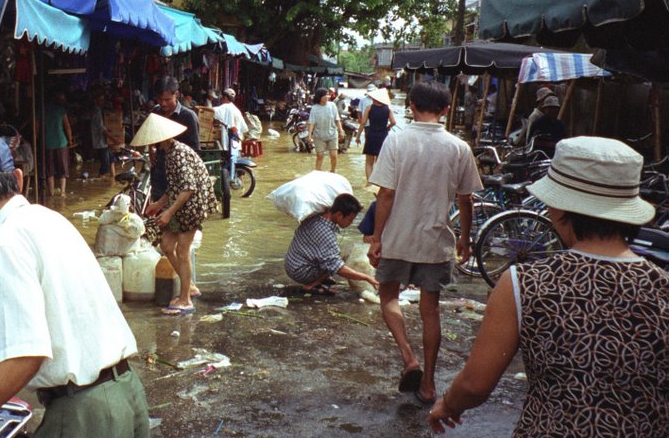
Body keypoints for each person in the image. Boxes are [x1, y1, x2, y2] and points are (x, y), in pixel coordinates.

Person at [428, 137, 669, 436]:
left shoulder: (525, 282)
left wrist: (449, 405)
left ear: (559, 208)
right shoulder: (662, 285)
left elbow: (475, 385)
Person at [0, 134, 150, 438]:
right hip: (126, 393)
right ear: (18, 179)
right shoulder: (49, 219)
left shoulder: (4, 242)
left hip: (86, 415)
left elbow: (24, 357)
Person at [368, 80, 483, 406]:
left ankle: (409, 358)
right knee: (430, 310)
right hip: (437, 240)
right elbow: (466, 201)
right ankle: (429, 385)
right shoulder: (459, 147)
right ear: (446, 110)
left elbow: (385, 194)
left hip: (399, 237)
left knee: (388, 295)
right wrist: (464, 239)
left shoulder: (397, 140)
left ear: (411, 106)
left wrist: (376, 238)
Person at [133, 113, 217, 315]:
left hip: (193, 205)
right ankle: (191, 286)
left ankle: (186, 299)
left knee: (182, 251)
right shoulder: (169, 152)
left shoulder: (178, 153)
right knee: (167, 245)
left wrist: (169, 212)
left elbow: (188, 189)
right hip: (182, 203)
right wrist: (157, 205)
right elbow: (174, 187)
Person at [285, 193, 378, 295]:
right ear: (339, 215)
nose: (351, 223)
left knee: (334, 253)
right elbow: (337, 267)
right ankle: (311, 285)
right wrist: (367, 277)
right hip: (301, 272)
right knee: (338, 257)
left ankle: (318, 281)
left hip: (293, 262)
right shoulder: (325, 233)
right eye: (350, 220)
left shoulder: (316, 216)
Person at [147, 76, 199, 206]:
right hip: (159, 169)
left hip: (181, 171)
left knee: (178, 210)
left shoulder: (188, 117)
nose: (163, 104)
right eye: (160, 99)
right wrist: (151, 147)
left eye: (167, 100)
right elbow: (150, 135)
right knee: (158, 207)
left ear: (176, 94)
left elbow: (195, 150)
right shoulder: (155, 112)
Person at [355, 87, 397, 185]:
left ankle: (369, 182)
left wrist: (358, 136)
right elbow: (394, 122)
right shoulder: (388, 108)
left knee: (369, 162)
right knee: (379, 161)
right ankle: (378, 182)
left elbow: (363, 123)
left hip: (371, 134)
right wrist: (388, 127)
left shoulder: (369, 108)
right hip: (383, 136)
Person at [43, 91, 73, 197]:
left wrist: (38, 140)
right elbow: (67, 126)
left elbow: (36, 128)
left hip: (47, 143)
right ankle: (62, 193)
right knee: (62, 169)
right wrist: (70, 140)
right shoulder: (61, 110)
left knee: (49, 170)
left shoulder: (42, 110)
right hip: (61, 142)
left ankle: (51, 193)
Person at [307, 88, 342, 172]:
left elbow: (337, 119)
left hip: (332, 134)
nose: (327, 96)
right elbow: (311, 123)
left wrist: (341, 131)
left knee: (334, 155)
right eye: (325, 95)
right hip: (319, 135)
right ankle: (318, 172)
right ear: (320, 97)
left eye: (328, 95)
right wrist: (309, 135)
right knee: (320, 155)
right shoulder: (314, 108)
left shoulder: (332, 105)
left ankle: (333, 171)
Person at [89, 90, 116, 180]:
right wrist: (113, 138)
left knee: (111, 159)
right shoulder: (96, 112)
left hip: (104, 140)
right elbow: (102, 129)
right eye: (100, 100)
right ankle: (100, 178)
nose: (102, 102)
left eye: (103, 100)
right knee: (105, 163)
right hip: (101, 141)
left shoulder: (99, 111)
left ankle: (113, 178)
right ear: (96, 101)